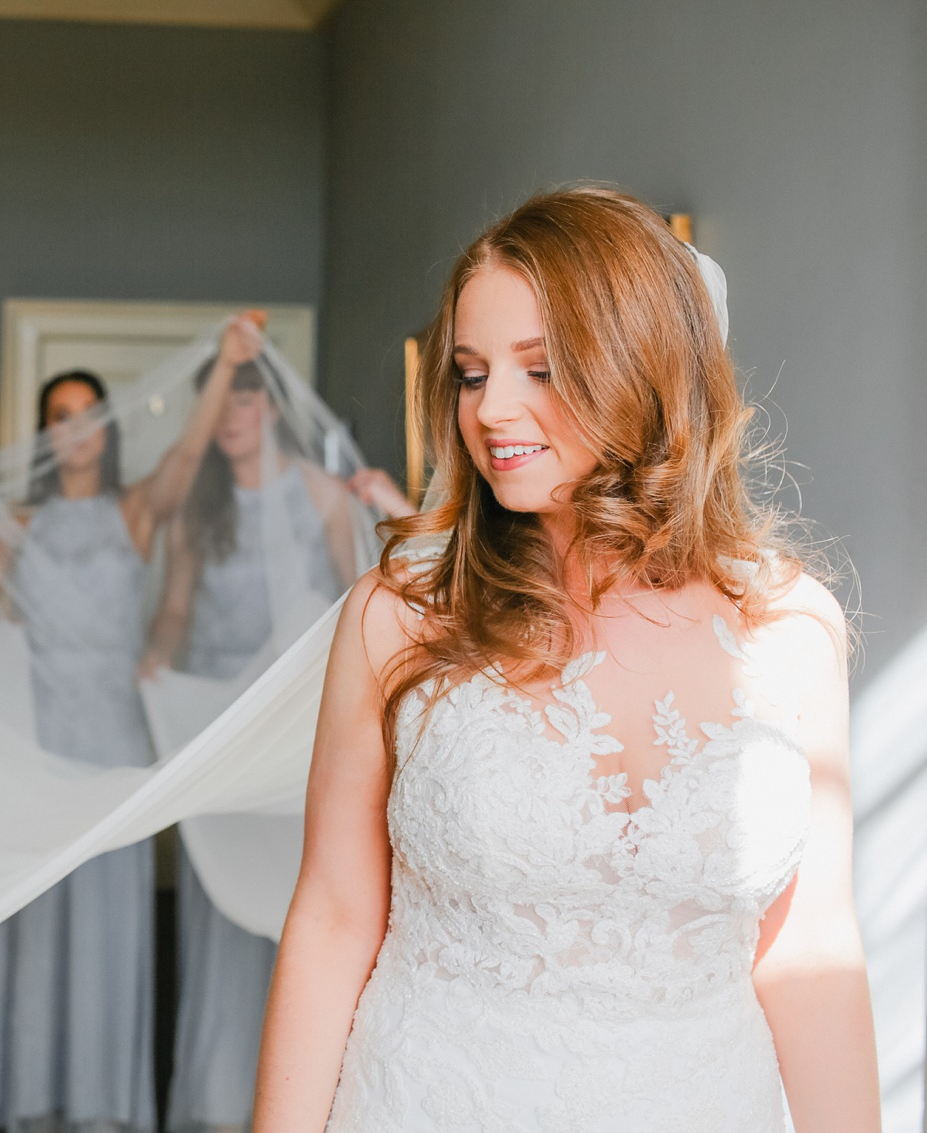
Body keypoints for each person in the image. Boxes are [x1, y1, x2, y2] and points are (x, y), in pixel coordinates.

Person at [252, 188, 879, 1132]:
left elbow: (808, 949)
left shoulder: (792, 628)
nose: (491, 408)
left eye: (540, 368)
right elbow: (335, 918)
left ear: (647, 371)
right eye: (470, 373)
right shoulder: (400, 618)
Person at [0, 315, 267, 1133]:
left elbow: (187, 460)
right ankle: (31, 1097)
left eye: (89, 413)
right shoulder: (19, 524)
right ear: (47, 433)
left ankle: (101, 1104)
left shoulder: (136, 510)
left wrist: (227, 361)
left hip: (114, 739)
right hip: (39, 737)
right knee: (37, 921)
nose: (77, 427)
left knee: (107, 923)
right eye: (61, 414)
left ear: (106, 429)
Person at [139, 351, 362, 1133]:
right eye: (219, 407)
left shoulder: (321, 493)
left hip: (300, 737)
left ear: (270, 407)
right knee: (222, 915)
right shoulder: (203, 506)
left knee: (305, 902)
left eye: (243, 404)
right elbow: (175, 605)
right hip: (224, 727)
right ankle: (219, 1099)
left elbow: (356, 597)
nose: (232, 420)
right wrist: (159, 656)